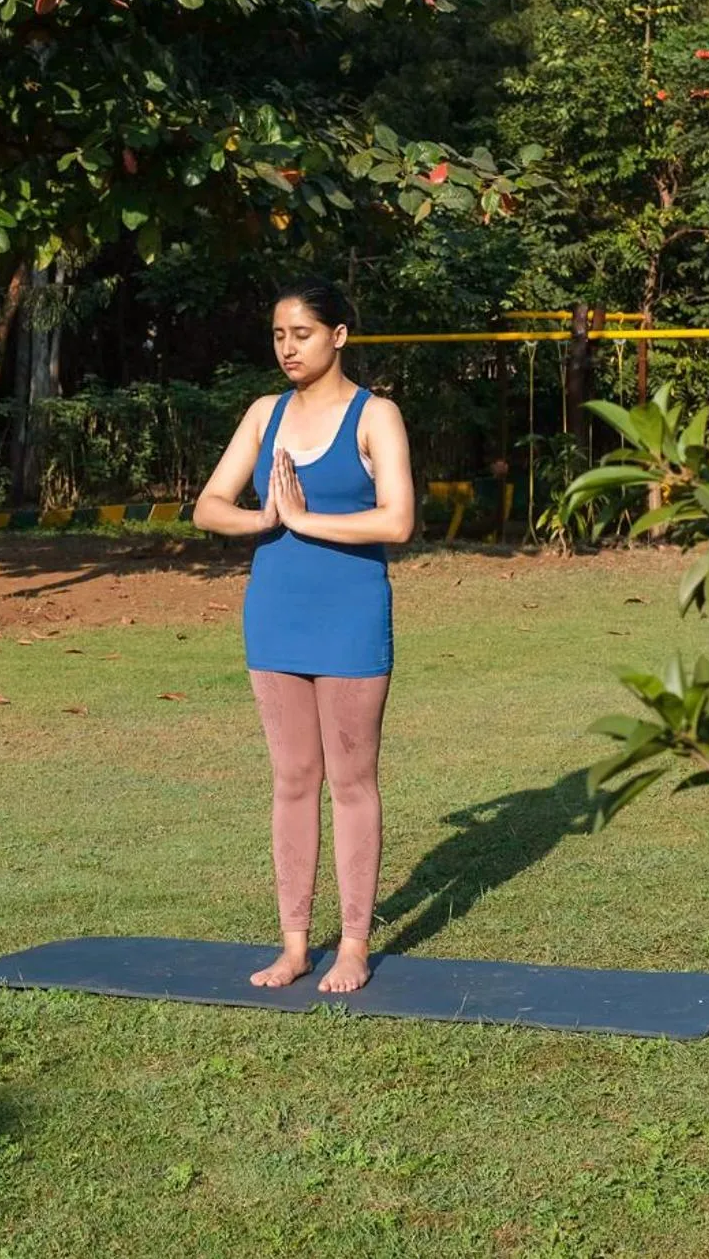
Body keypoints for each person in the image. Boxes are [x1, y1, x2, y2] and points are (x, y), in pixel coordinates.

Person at [193, 278, 415, 994]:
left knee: (351, 780)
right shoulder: (265, 413)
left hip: (350, 613)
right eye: (280, 335)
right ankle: (293, 946)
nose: (288, 347)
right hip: (276, 613)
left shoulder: (375, 416)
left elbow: (397, 521)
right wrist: (265, 520)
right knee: (292, 778)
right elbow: (208, 505)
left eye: (304, 334)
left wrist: (306, 519)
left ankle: (352, 945)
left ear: (340, 335)